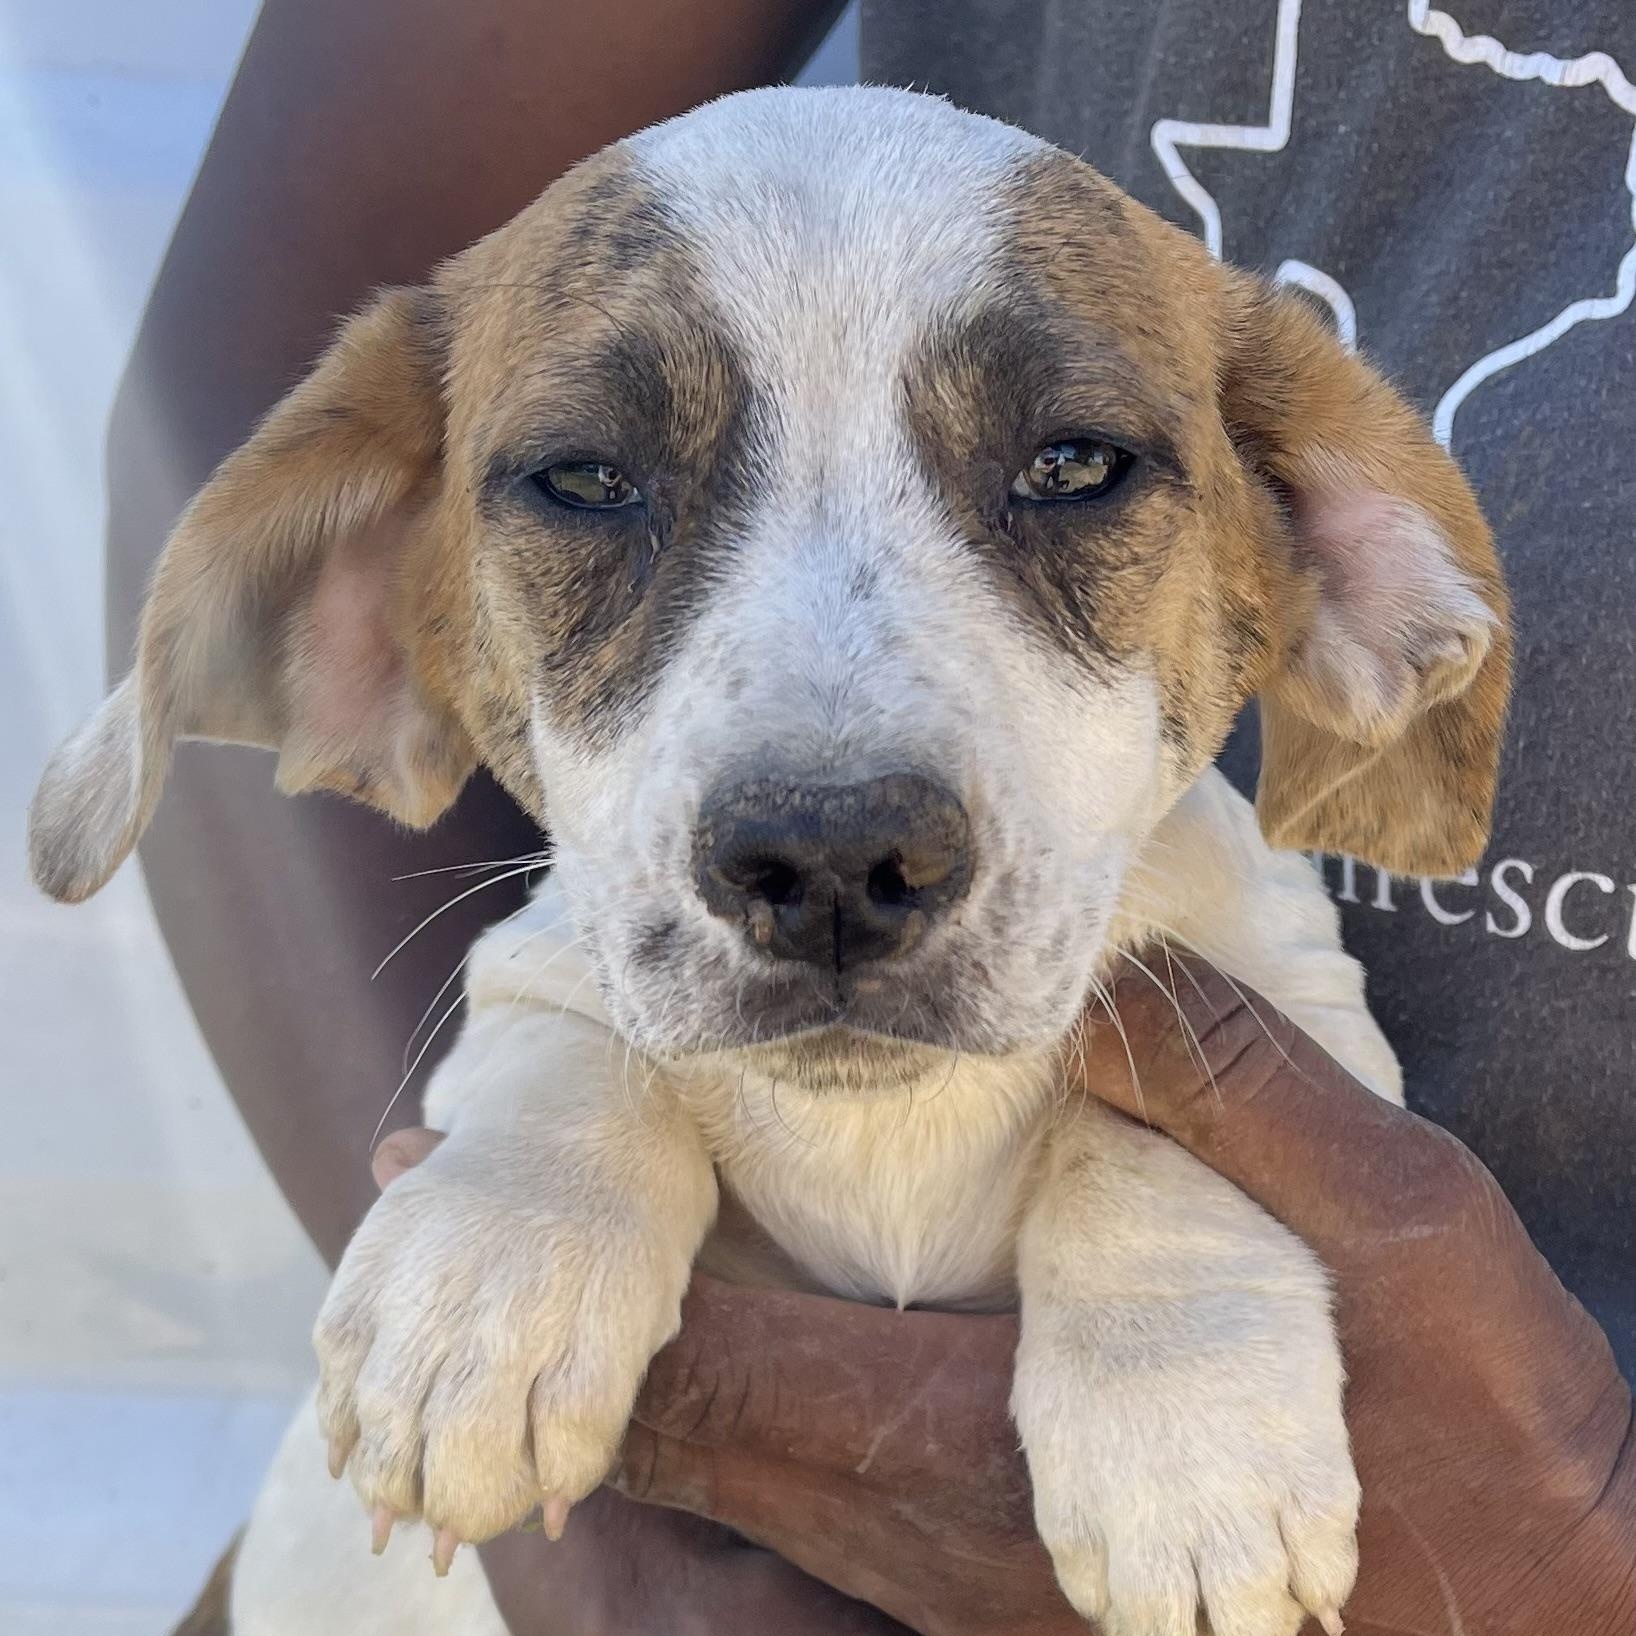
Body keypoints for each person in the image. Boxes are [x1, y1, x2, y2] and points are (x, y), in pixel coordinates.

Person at [109, 2, 1633, 1631]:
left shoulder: (1237, 926)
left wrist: (1181, 1271)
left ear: (1323, 566)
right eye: (587, 484)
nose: (835, 813)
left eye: (1070, 471)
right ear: (373, 616)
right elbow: (286, 279)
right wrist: (562, 1372)